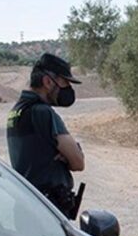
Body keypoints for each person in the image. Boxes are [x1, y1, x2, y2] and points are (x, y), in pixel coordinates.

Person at [6, 53, 85, 218]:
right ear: (48, 82)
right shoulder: (43, 112)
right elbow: (78, 162)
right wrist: (72, 152)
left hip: (27, 205)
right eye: (64, 83)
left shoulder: (17, 110)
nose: (67, 90)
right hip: (47, 210)